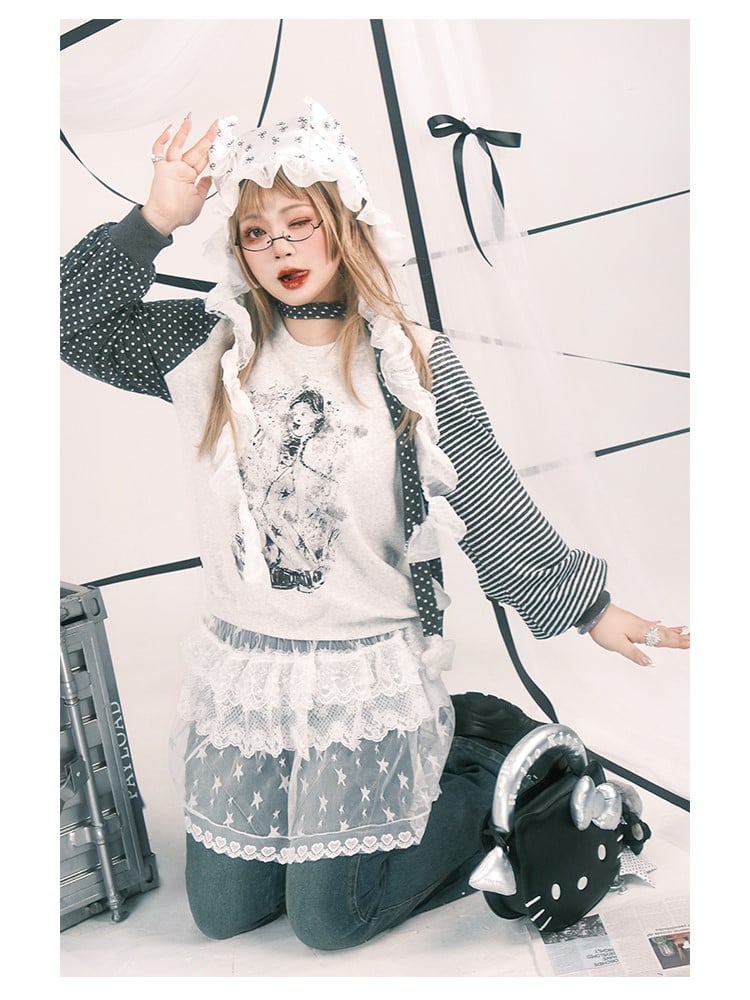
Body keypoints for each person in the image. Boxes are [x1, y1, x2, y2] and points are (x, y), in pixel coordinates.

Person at [60, 99, 689, 950]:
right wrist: (155, 220)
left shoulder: (406, 360)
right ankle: (413, 765)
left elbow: (490, 501)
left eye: (299, 223)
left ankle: (486, 766)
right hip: (250, 672)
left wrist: (591, 609)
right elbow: (63, 321)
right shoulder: (207, 346)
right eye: (256, 233)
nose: (280, 249)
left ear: (344, 225)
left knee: (329, 921)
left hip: (363, 672)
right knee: (223, 914)